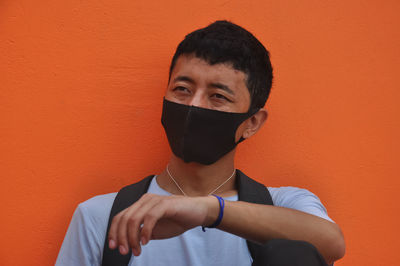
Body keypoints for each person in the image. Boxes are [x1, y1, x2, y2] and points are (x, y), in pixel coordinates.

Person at [56, 20, 345, 266]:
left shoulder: (285, 204)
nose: (193, 105)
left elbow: (331, 243)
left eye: (218, 96)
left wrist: (209, 210)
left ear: (252, 123)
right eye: (182, 89)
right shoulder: (103, 216)